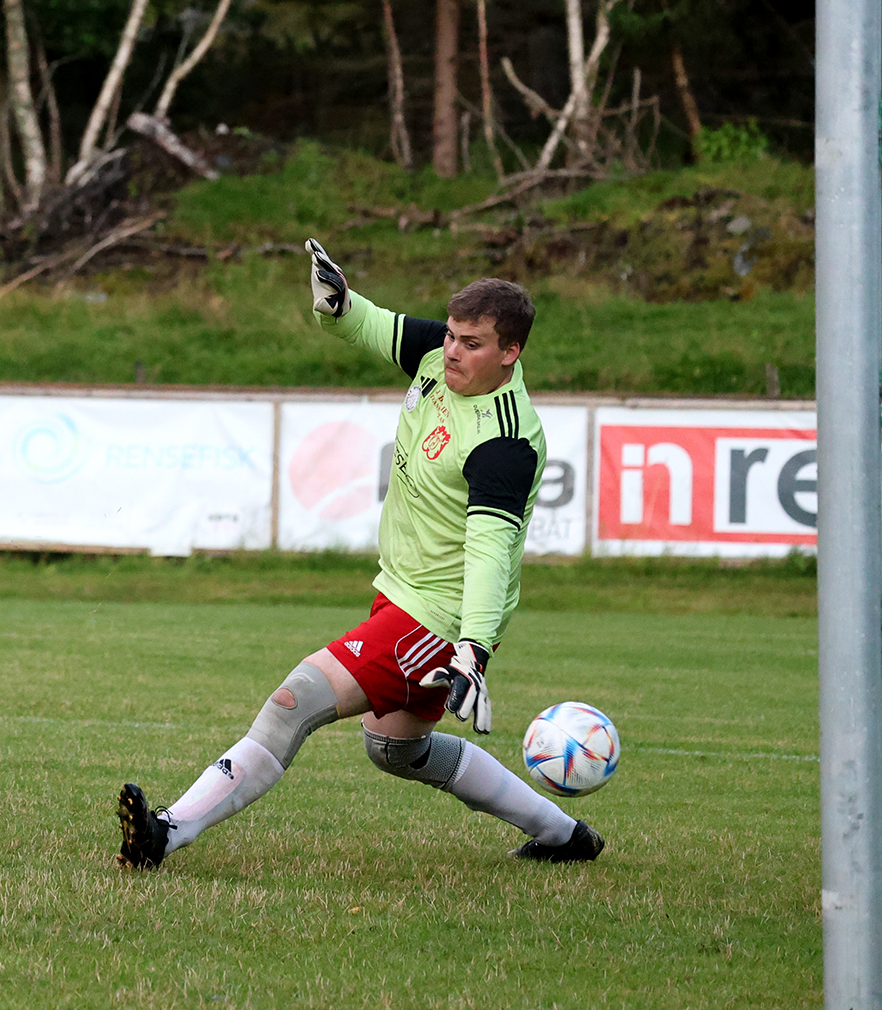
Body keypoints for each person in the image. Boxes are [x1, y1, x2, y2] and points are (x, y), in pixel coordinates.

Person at [115, 240, 604, 869]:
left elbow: (492, 550)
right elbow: (381, 328)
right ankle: (566, 837)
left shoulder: (503, 442)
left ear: (511, 353)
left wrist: (473, 648)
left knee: (293, 702)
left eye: (472, 343)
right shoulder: (439, 357)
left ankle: (165, 832)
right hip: (401, 591)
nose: (453, 350)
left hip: (438, 618)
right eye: (452, 335)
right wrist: (340, 305)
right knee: (394, 747)